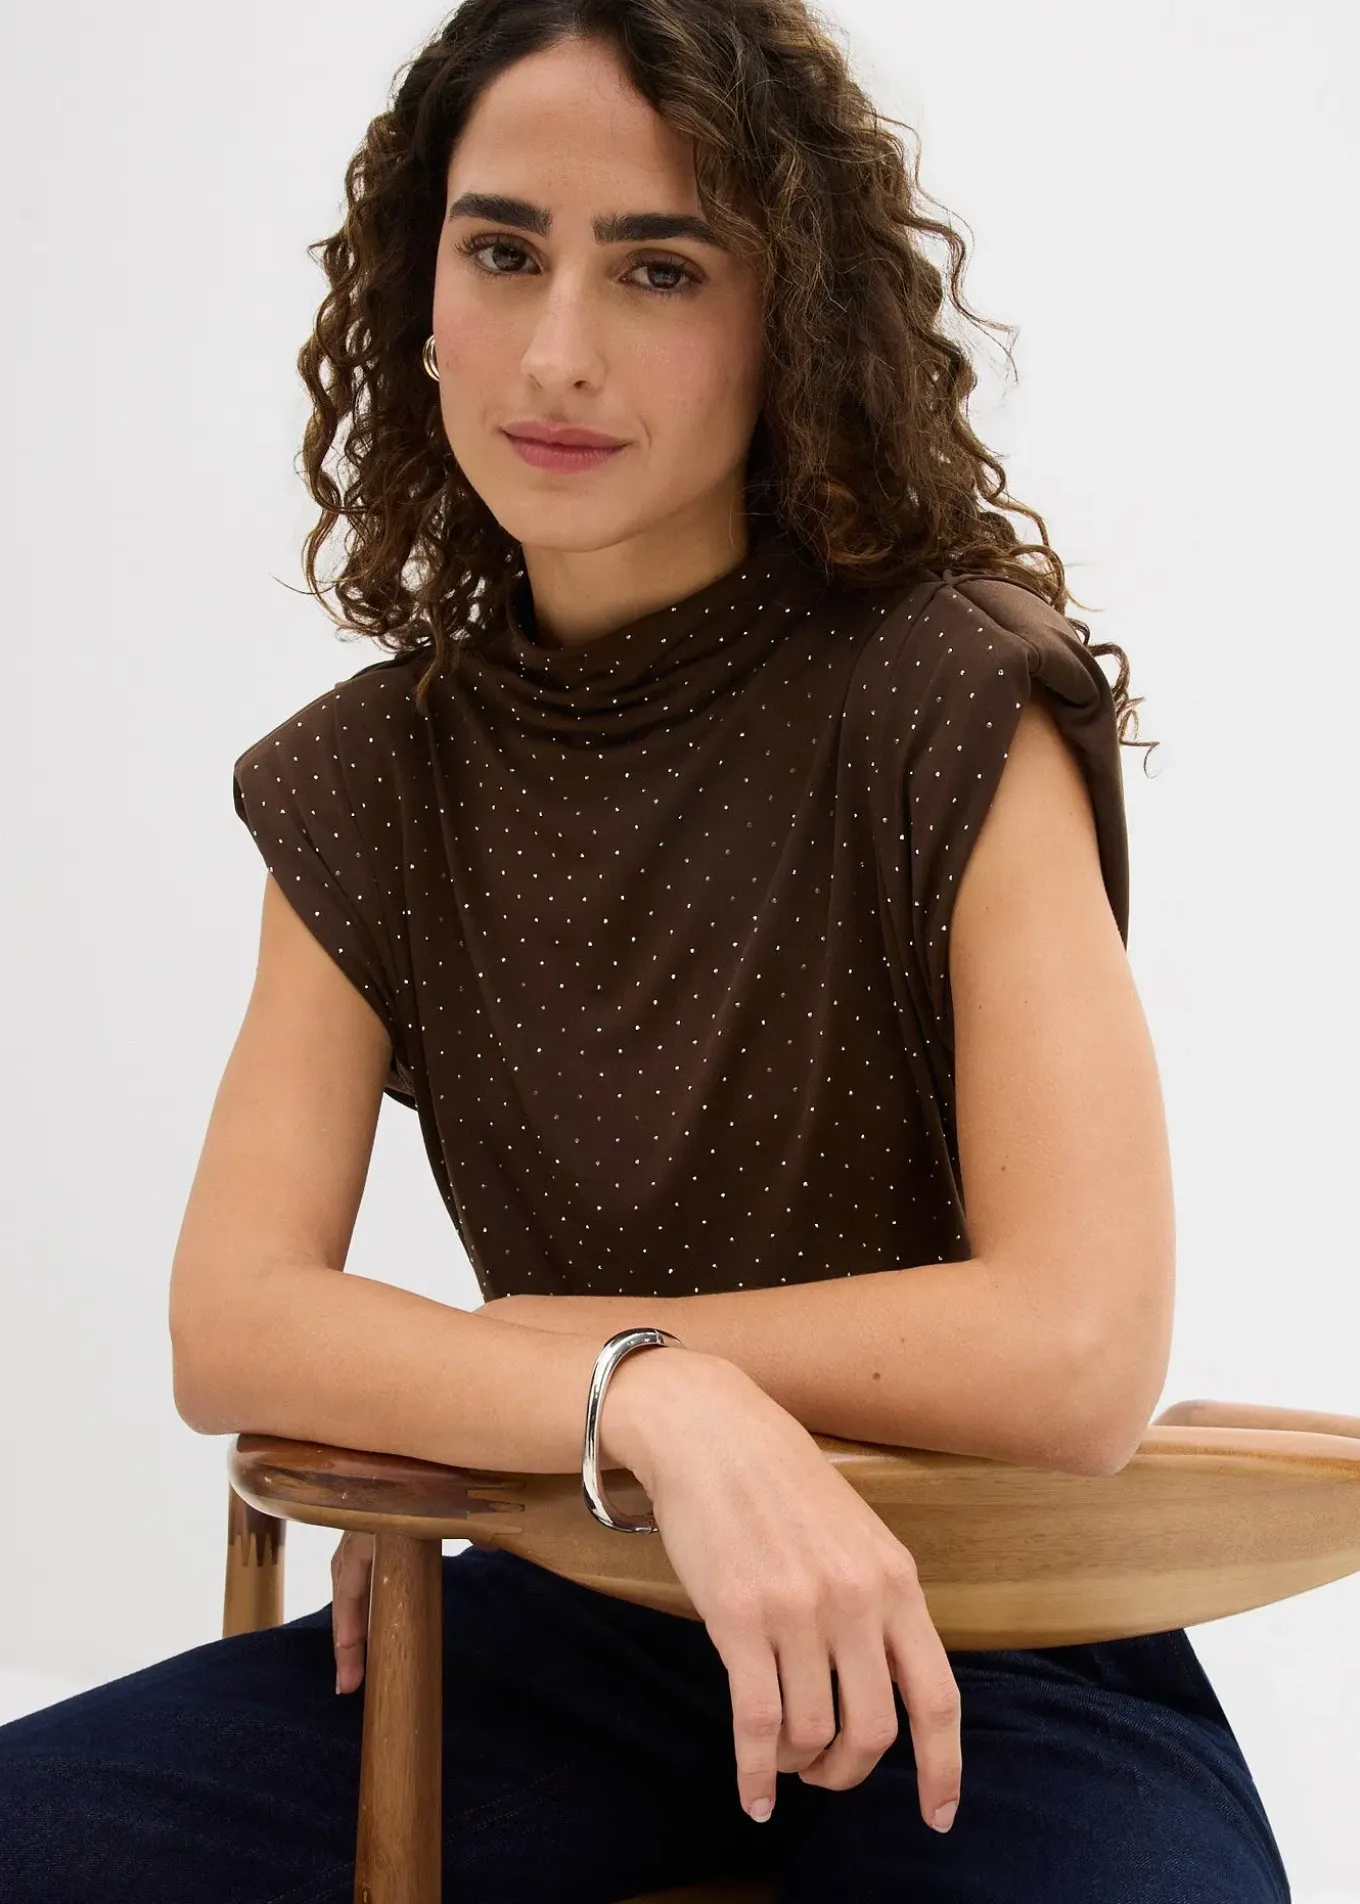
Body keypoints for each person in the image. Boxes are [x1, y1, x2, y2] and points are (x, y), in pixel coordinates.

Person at [0, 3, 1292, 1900]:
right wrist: (643, 1397)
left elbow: (1079, 1347)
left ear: (791, 322)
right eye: (501, 250)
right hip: (581, 1598)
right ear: (419, 296)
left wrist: (513, 1352)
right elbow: (237, 1322)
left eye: (659, 268)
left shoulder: (950, 696)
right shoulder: (368, 782)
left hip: (999, 1631)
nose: (559, 351)